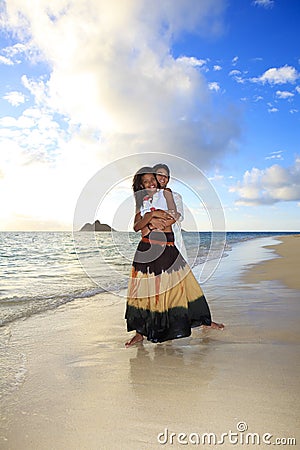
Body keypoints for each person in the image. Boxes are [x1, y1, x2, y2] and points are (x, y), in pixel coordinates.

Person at [125, 167, 224, 347]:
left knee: (184, 286)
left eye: (152, 179)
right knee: (144, 292)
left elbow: (173, 215)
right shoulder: (141, 203)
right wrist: (151, 215)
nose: (151, 183)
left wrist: (154, 222)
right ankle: (140, 333)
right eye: (145, 181)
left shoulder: (167, 193)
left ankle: (204, 321)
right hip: (147, 248)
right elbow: (137, 226)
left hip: (168, 246)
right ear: (140, 185)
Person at [153, 163, 187, 259]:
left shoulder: (175, 196)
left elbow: (177, 216)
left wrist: (154, 221)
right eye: (159, 174)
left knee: (177, 272)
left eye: (166, 176)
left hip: (173, 240)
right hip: (152, 242)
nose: (163, 178)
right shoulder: (147, 198)